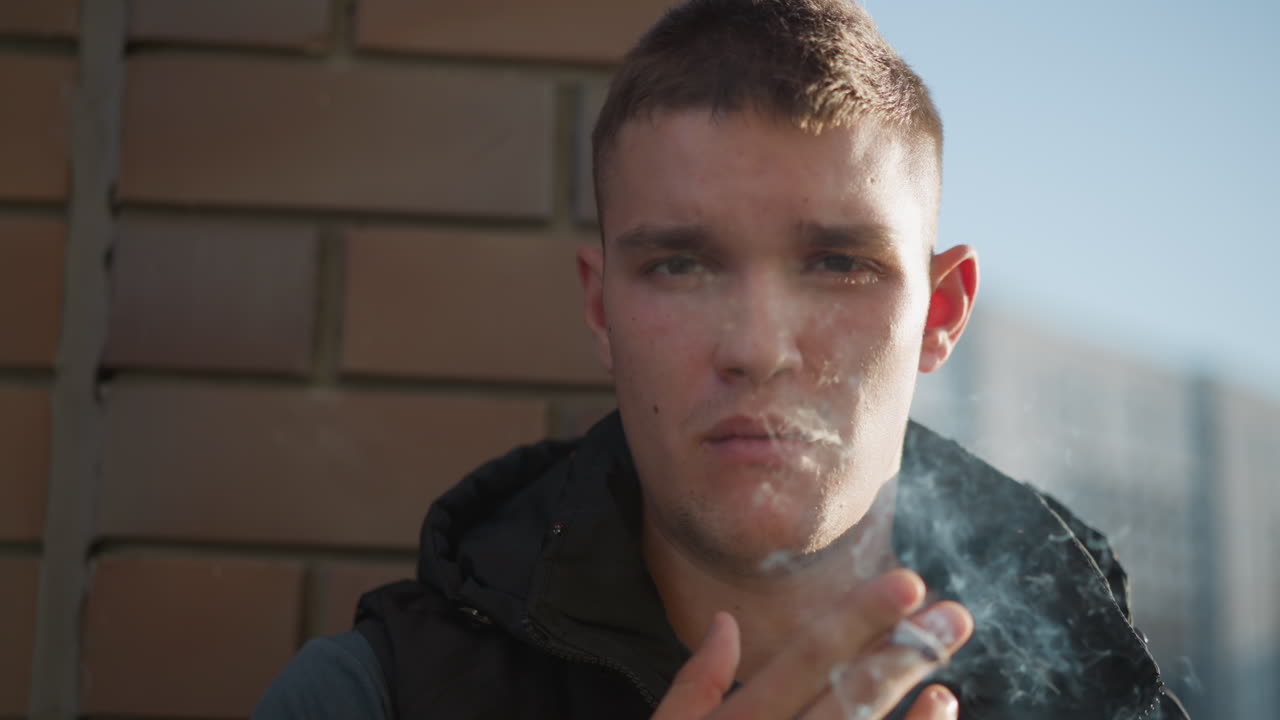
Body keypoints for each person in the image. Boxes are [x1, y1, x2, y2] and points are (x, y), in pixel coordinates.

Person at [255, 1, 1189, 718]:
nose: (756, 349)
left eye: (837, 263)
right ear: (602, 306)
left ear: (940, 313)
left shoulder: (1094, 689)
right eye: (681, 264)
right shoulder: (373, 699)